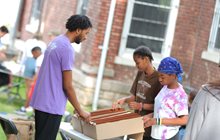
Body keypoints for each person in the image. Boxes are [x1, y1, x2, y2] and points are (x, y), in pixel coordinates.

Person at [29, 14, 92, 140]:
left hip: (42, 102)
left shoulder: (56, 41)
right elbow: (68, 86)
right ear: (78, 30)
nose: (86, 37)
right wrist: (80, 110)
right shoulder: (67, 49)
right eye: (86, 33)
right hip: (51, 105)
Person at [112, 46, 162, 140]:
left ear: (146, 59)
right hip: (135, 122)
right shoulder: (140, 73)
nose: (136, 65)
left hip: (147, 127)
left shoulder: (159, 78)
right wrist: (123, 100)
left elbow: (159, 106)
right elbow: (134, 97)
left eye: (137, 62)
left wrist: (140, 106)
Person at [143, 57, 189, 140]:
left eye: (162, 77)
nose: (159, 79)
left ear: (173, 75)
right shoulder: (165, 87)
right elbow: (164, 111)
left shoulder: (179, 95)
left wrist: (157, 121)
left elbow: (184, 120)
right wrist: (150, 116)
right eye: (158, 76)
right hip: (156, 135)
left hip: (169, 137)